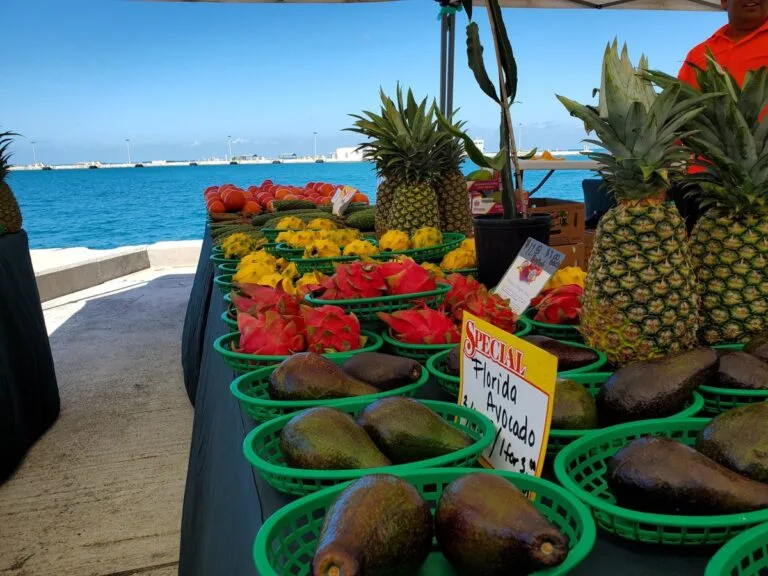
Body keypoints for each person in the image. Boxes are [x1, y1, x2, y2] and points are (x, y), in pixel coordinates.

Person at [670, 0, 768, 232]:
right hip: (703, 186)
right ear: (724, 1)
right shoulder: (699, 53)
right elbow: (678, 113)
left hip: (760, 189)